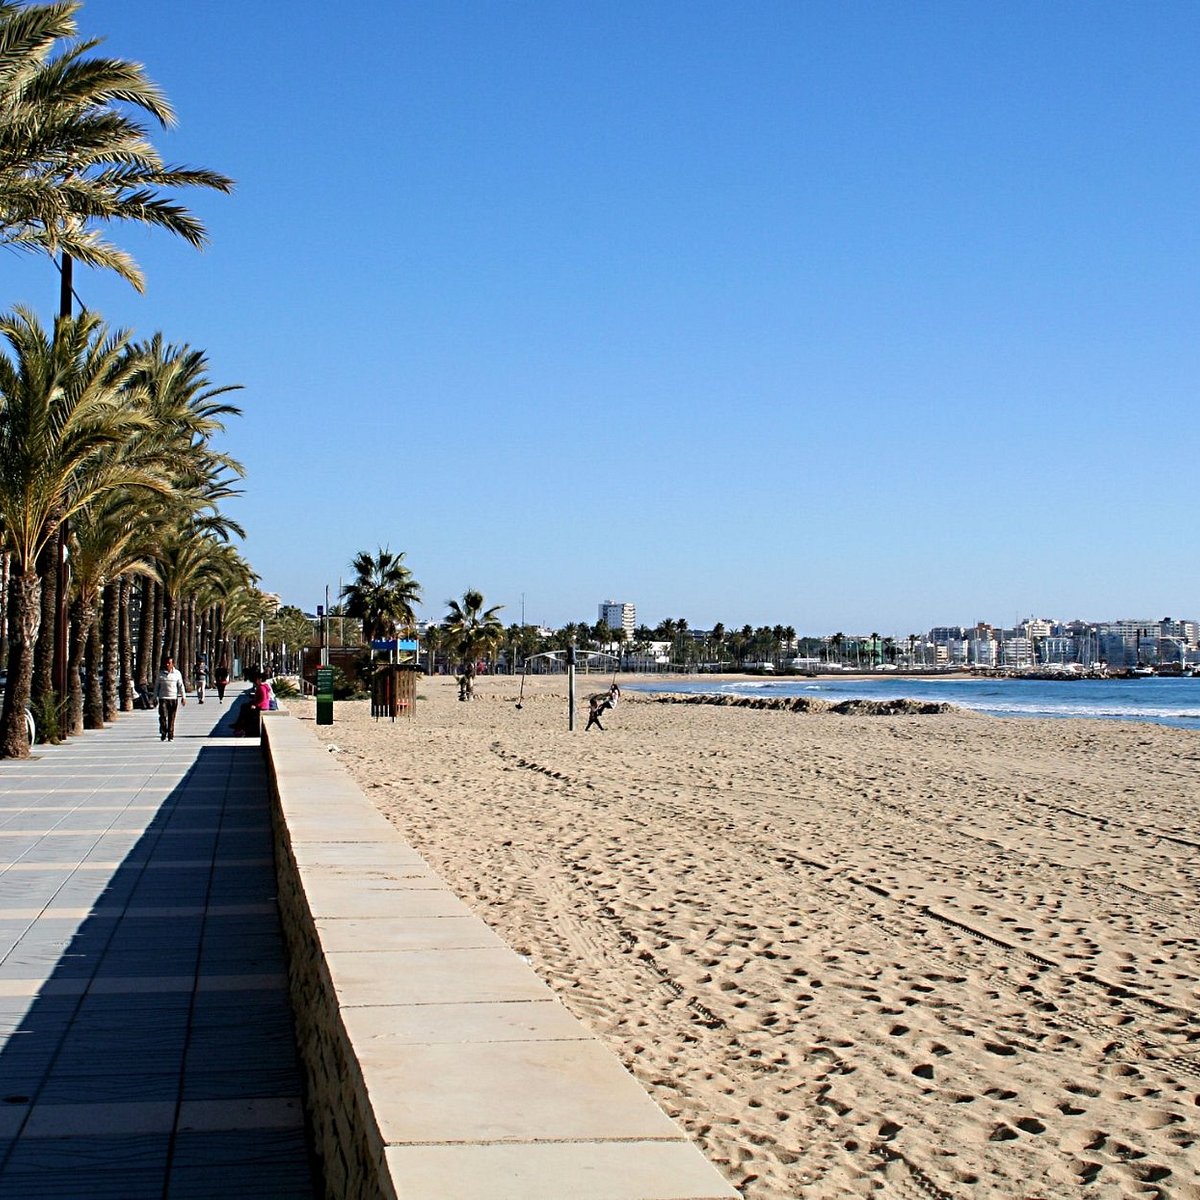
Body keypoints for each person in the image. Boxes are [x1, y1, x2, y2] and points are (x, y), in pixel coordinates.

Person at [154, 656, 186, 741]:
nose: (167, 664)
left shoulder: (177, 673)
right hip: (163, 698)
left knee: (172, 718)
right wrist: (154, 697)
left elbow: (181, 685)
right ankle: (164, 731)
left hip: (173, 698)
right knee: (163, 716)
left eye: (169, 663)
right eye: (166, 663)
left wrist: (183, 697)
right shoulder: (160, 673)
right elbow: (156, 686)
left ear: (172, 664)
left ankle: (170, 735)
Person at [231, 670, 269, 737]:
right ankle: (239, 725)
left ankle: (240, 727)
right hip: (261, 706)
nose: (255, 681)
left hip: (262, 707)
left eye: (257, 679)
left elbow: (263, 699)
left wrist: (255, 705)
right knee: (244, 706)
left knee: (246, 711)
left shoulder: (261, 688)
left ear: (260, 679)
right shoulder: (262, 686)